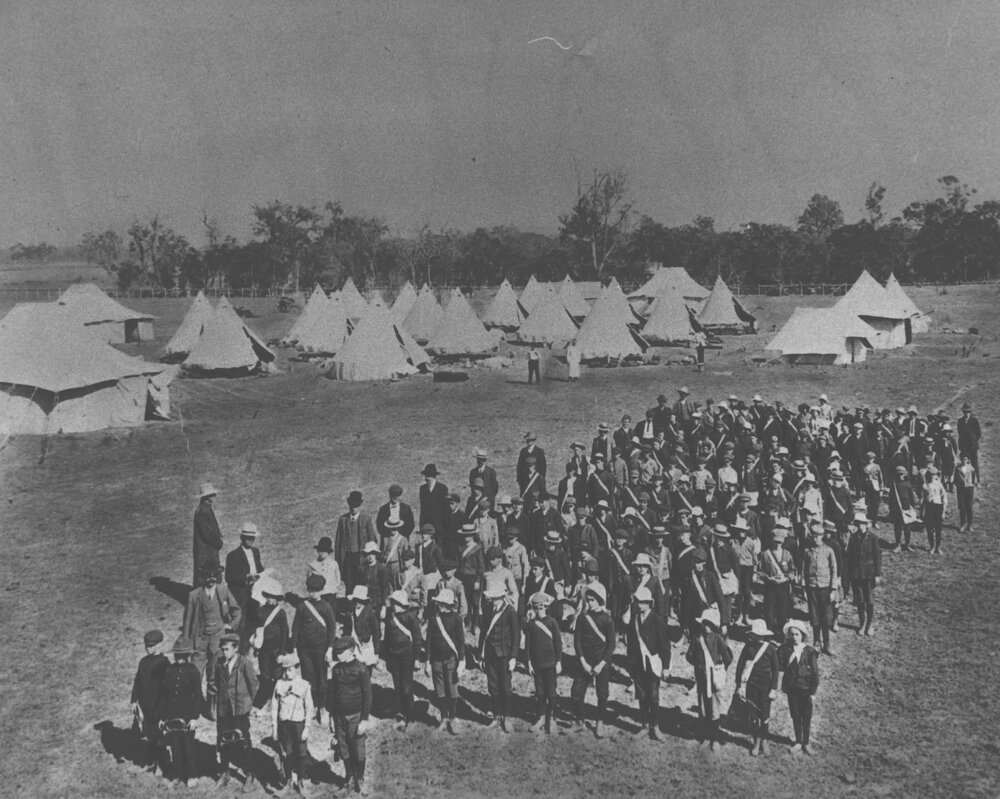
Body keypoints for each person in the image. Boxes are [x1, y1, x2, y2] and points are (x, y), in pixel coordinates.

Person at [211, 632, 259, 789]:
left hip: (240, 710)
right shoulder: (219, 664)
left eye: (227, 649)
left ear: (236, 648)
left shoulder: (245, 662)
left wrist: (247, 704)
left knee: (244, 742)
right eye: (223, 649)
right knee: (223, 742)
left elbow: (254, 685)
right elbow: (216, 684)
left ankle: (250, 774)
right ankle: (225, 773)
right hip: (224, 710)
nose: (224, 652)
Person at [182, 560, 241, 685]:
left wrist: (230, 626)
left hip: (218, 638)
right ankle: (196, 699)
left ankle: (214, 701)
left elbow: (236, 610)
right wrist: (186, 641)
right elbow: (187, 621)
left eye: (214, 575)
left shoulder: (223, 591)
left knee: (217, 672)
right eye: (208, 576)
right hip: (200, 639)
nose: (211, 579)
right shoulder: (194, 595)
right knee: (195, 673)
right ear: (203, 577)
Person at [327, 637, 373, 794]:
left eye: (340, 652)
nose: (337, 655)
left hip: (356, 716)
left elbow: (368, 696)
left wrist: (364, 720)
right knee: (343, 747)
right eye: (336, 651)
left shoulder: (361, 669)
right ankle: (349, 777)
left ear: (350, 651)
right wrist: (331, 718)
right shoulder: (336, 670)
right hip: (339, 716)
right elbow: (332, 695)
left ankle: (360, 778)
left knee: (358, 749)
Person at [570, 582, 616, 738]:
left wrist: (602, 664)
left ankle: (600, 722)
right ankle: (578, 721)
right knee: (576, 692)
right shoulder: (583, 618)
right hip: (585, 661)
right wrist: (582, 661)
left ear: (600, 600)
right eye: (588, 599)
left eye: (592, 600)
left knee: (602, 693)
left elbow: (611, 645)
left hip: (601, 663)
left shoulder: (607, 620)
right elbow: (577, 641)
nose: (589, 603)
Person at [156, 636, 203, 788]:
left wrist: (195, 718)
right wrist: (162, 717)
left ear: (188, 656)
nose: (180, 659)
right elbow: (164, 696)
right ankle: (177, 773)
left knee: (189, 747)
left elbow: (198, 696)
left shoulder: (193, 671)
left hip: (188, 716)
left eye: (183, 656)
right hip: (171, 716)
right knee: (175, 746)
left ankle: (192, 775)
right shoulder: (169, 670)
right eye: (178, 655)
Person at [625, 586, 671, 741]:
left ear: (649, 603)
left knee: (653, 695)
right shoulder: (634, 620)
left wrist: (665, 667)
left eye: (643, 602)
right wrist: (630, 664)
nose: (639, 605)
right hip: (638, 664)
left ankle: (655, 726)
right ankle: (644, 725)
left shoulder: (657, 620)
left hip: (653, 664)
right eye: (638, 602)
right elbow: (630, 644)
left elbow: (665, 645)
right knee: (641, 695)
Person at [291, 573, 337, 722]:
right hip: (304, 649)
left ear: (322, 590)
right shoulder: (302, 606)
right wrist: (294, 649)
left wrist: (330, 648)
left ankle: (322, 708)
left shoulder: (326, 606)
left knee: (322, 679)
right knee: (307, 679)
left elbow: (332, 628)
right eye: (311, 590)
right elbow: (296, 628)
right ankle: (310, 707)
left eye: (316, 590)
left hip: (321, 649)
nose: (314, 593)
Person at [686, 607, 732, 751]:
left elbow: (728, 657)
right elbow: (689, 656)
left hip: (714, 679)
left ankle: (715, 738)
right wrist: (699, 665)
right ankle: (706, 736)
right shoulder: (697, 639)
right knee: (703, 708)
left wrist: (720, 670)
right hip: (701, 678)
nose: (706, 627)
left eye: (709, 624)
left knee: (714, 708)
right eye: (704, 623)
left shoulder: (718, 639)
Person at [734, 619, 779, 757]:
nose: (756, 637)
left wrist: (773, 688)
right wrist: (738, 685)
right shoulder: (748, 647)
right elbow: (740, 666)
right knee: (753, 715)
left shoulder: (770, 648)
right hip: (751, 686)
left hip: (765, 687)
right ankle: (756, 742)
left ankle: (764, 739)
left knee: (764, 715)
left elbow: (776, 670)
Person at [479, 585, 520, 732]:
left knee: (505, 687)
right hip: (490, 655)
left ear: (502, 597)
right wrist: (481, 655)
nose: (494, 601)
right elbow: (483, 633)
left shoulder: (510, 612)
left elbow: (516, 636)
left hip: (504, 655)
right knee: (493, 686)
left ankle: (506, 717)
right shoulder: (488, 610)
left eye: (496, 598)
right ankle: (496, 716)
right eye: (492, 598)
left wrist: (514, 657)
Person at [271, 652, 312, 795]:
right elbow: (274, 707)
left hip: (298, 724)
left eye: (289, 670)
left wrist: (307, 728)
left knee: (301, 754)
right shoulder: (279, 684)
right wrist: (274, 728)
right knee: (286, 753)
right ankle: (288, 781)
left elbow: (309, 708)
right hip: (284, 725)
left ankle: (300, 781)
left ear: (297, 669)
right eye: (284, 670)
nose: (287, 673)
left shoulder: (304, 685)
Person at [382, 590, 423, 731]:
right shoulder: (390, 617)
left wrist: (417, 658)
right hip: (393, 657)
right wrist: (387, 658)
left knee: (407, 688)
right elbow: (387, 639)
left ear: (402, 604)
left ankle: (411, 718)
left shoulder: (410, 617)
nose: (394, 606)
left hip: (407, 657)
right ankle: (401, 716)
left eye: (396, 603)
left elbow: (418, 639)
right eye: (393, 603)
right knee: (398, 688)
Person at [426, 588, 465, 734]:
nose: (440, 606)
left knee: (452, 688)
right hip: (436, 660)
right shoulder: (433, 618)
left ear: (449, 604)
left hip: (451, 660)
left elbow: (461, 642)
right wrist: (427, 661)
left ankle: (453, 717)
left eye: (443, 603)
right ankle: (444, 718)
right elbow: (428, 641)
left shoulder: (456, 618)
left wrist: (461, 661)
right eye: (439, 603)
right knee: (440, 689)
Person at [778, 620, 820, 755]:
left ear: (802, 635)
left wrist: (813, 692)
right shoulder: (786, 649)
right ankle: (798, 741)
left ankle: (806, 743)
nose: (795, 637)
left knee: (806, 717)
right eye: (792, 634)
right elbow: (779, 664)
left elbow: (815, 673)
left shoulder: (809, 652)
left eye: (797, 634)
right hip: (792, 690)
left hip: (806, 690)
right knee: (795, 716)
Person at [249, 575, 289, 710]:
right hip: (264, 649)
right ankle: (264, 699)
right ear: (266, 597)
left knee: (277, 675)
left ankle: (277, 699)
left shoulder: (281, 613)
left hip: (277, 649)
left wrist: (282, 652)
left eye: (275, 598)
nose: (272, 600)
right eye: (270, 597)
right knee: (265, 675)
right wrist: (255, 647)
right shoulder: (259, 611)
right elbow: (256, 630)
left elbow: (284, 633)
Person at [524, 591, 562, 734]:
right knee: (540, 692)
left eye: (541, 608)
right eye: (536, 608)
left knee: (551, 692)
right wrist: (528, 662)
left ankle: (551, 718)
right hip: (537, 663)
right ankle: (540, 717)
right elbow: (527, 645)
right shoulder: (531, 624)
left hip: (550, 663)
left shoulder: (552, 622)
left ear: (546, 607)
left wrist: (558, 661)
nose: (538, 611)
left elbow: (558, 644)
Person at [131, 629, 168, 773]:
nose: (148, 648)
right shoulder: (143, 662)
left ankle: (161, 764)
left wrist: (163, 710)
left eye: (152, 645)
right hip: (145, 706)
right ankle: (152, 762)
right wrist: (134, 700)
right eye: (147, 645)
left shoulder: (164, 663)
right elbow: (137, 682)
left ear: (160, 645)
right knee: (149, 735)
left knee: (159, 736)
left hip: (158, 708)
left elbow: (166, 690)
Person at [803, 522, 837, 655]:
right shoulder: (807, 551)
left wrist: (833, 589)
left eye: (818, 536)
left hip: (825, 588)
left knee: (825, 617)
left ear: (822, 536)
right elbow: (803, 571)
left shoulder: (829, 551)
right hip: (812, 587)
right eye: (813, 536)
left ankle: (827, 644)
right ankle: (816, 642)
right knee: (814, 616)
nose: (815, 538)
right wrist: (804, 589)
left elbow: (834, 570)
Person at [335, 491, 379, 594]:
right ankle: (350, 607)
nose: (353, 508)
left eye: (356, 506)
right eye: (352, 505)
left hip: (361, 557)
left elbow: (372, 539)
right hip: (348, 558)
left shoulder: (366, 519)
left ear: (359, 505)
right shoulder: (343, 520)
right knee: (349, 583)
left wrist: (371, 557)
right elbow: (338, 542)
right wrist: (338, 561)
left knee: (361, 582)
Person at [845, 513, 881, 636]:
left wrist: (877, 574)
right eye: (858, 523)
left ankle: (870, 625)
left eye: (862, 523)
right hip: (856, 574)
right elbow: (849, 556)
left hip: (869, 574)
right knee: (860, 600)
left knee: (869, 601)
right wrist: (849, 573)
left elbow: (877, 557)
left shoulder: (873, 538)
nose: (860, 525)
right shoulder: (853, 537)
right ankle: (862, 623)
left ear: (866, 524)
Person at [759, 521, 795, 635]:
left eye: (779, 542)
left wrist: (786, 578)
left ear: (783, 541)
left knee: (782, 612)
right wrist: (768, 578)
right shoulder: (765, 554)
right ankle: (769, 634)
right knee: (769, 613)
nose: (777, 544)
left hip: (783, 587)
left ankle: (781, 635)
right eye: (775, 542)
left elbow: (792, 571)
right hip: (770, 587)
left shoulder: (787, 554)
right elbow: (760, 571)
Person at [224, 522, 264, 615]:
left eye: (252, 538)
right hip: (241, 591)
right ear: (242, 538)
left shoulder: (255, 552)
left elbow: (259, 568)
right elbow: (229, 577)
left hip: (256, 588)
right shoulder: (233, 555)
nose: (250, 540)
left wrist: (264, 574)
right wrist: (246, 578)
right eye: (248, 538)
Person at [457, 524, 486, 638]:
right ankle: (467, 624)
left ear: (473, 535)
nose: (466, 537)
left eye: (468, 535)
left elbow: (481, 566)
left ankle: (475, 625)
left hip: (474, 578)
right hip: (464, 578)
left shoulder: (478, 548)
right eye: (464, 535)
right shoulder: (461, 548)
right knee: (466, 602)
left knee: (475, 603)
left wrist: (478, 581)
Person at [192, 482, 223, 586]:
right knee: (207, 573)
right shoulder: (203, 511)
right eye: (213, 494)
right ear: (207, 497)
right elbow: (208, 534)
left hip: (208, 549)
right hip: (207, 550)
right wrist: (219, 543)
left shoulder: (206, 507)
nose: (215, 496)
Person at [307, 536, 344, 619]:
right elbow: (309, 579)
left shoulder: (333, 564)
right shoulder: (313, 565)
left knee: (331, 613)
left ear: (328, 552)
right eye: (320, 550)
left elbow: (338, 578)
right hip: (318, 594)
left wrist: (335, 588)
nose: (321, 553)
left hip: (330, 594)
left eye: (324, 550)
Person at [346, 585, 381, 673]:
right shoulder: (350, 612)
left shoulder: (370, 613)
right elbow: (346, 630)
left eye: (360, 600)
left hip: (367, 645)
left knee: (366, 669)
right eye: (355, 600)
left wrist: (376, 651)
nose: (357, 602)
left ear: (364, 601)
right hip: (354, 644)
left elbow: (376, 632)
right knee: (355, 668)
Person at [888, 465, 917, 553]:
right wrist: (891, 508)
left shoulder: (908, 484)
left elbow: (911, 497)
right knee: (898, 528)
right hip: (897, 509)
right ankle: (898, 544)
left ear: (905, 474)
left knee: (907, 528)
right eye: (899, 474)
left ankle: (907, 544)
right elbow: (891, 497)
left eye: (902, 474)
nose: (901, 475)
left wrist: (913, 508)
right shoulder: (894, 484)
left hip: (906, 508)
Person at [418, 464, 450, 542]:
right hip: (427, 527)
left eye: (428, 476)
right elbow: (422, 509)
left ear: (434, 476)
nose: (426, 478)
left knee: (439, 549)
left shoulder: (442, 488)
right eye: (425, 476)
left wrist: (445, 527)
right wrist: (421, 526)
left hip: (439, 527)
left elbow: (446, 509)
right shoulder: (423, 489)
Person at [358, 541, 390, 617]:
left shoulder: (381, 568)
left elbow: (385, 588)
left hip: (377, 602)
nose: (370, 556)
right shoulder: (362, 568)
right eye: (368, 554)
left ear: (375, 555)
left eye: (372, 554)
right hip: (366, 600)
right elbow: (360, 585)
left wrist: (384, 606)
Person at [922, 466, 947, 555]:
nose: (932, 476)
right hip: (929, 507)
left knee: (938, 528)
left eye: (934, 475)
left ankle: (938, 547)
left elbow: (944, 498)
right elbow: (924, 499)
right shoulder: (925, 486)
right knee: (929, 528)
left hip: (938, 507)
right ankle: (932, 546)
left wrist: (943, 511)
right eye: (930, 475)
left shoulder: (939, 485)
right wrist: (922, 511)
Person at [381, 520, 410, 590]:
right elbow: (382, 552)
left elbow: (406, 555)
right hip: (387, 565)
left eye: (395, 528)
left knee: (397, 585)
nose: (393, 530)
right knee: (387, 586)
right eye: (391, 528)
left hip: (397, 565)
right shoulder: (385, 539)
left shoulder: (403, 539)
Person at [955, 454, 978, 533]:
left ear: (968, 460)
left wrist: (971, 485)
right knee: (962, 507)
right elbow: (955, 479)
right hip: (961, 490)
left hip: (969, 489)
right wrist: (958, 485)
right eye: (962, 459)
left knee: (969, 507)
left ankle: (970, 524)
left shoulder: (971, 469)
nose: (964, 461)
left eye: (965, 459)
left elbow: (974, 479)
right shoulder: (957, 468)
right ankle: (963, 524)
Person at [956, 402, 981, 472]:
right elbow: (960, 433)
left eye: (968, 412)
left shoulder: (974, 420)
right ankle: (966, 480)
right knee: (964, 463)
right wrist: (961, 445)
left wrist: (974, 441)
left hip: (972, 446)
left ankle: (977, 479)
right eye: (965, 412)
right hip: (964, 446)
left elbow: (978, 433)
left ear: (970, 412)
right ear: (963, 412)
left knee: (974, 463)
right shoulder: (960, 421)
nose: (966, 413)